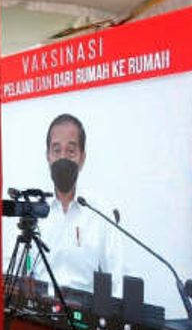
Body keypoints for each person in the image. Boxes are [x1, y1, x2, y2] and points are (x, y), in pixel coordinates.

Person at [31, 114, 123, 292]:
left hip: (83, 314)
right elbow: (11, 271)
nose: (63, 157)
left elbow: (116, 283)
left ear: (82, 158)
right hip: (38, 315)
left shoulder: (100, 212)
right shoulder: (32, 211)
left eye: (71, 151)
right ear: (48, 157)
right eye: (56, 150)